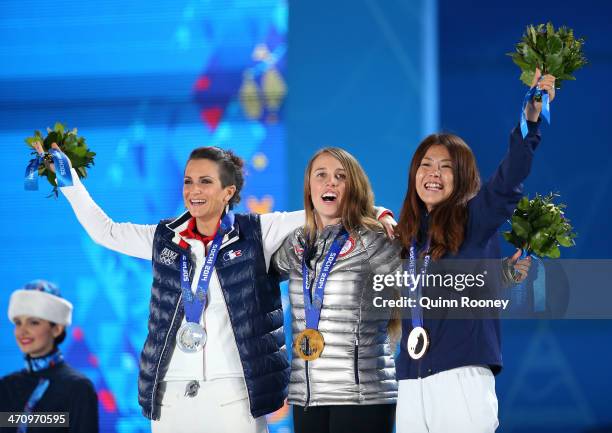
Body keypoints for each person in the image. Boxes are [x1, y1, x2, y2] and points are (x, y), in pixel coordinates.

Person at [34, 142, 393, 432]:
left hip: (235, 393)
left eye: (205, 181)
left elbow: (329, 209)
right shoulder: (164, 238)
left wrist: (381, 214)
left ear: (228, 191)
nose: (194, 190)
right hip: (171, 392)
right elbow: (106, 232)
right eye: (189, 181)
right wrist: (70, 185)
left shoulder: (258, 232)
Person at [394, 70, 556, 433]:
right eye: (425, 165)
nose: (433, 174)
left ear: (463, 177)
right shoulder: (408, 237)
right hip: (410, 379)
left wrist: (530, 119)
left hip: (460, 377)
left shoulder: (474, 218)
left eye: (446, 167)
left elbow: (508, 180)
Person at [272, 147, 401, 433]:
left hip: (363, 397)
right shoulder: (296, 244)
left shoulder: (374, 239)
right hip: (307, 397)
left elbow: (421, 288)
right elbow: (255, 273)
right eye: (321, 175)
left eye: (340, 177)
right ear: (309, 187)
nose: (330, 182)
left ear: (352, 187)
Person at [0, 280, 99, 433]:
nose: (22, 331)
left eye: (33, 322)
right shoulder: (6, 386)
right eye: (18, 323)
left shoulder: (77, 387)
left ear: (57, 329)